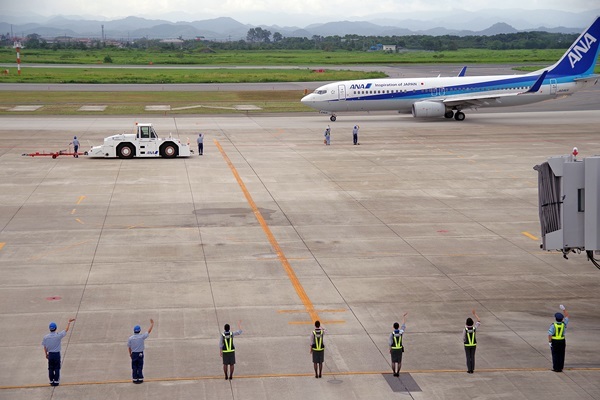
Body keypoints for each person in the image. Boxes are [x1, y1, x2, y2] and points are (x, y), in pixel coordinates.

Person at [42, 318, 76, 386]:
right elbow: (66, 330)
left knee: (50, 368)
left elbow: (45, 347)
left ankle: (51, 381)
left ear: (49, 328)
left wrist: (46, 354)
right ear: (56, 328)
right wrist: (69, 322)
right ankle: (56, 381)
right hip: (57, 354)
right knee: (57, 368)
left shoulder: (45, 337)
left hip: (50, 354)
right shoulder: (58, 335)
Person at [127, 319, 154, 384]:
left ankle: (135, 379)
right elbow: (148, 331)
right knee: (140, 366)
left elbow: (129, 347)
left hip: (134, 354)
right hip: (140, 354)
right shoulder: (142, 337)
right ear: (139, 331)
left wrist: (130, 354)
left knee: (134, 367)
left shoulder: (130, 338)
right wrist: (152, 324)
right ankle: (140, 378)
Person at [548, 305, 570, 372]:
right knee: (561, 354)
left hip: (555, 341)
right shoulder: (564, 324)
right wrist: (564, 309)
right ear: (562, 319)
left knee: (555, 354)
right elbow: (567, 316)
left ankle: (556, 368)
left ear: (556, 318)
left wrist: (550, 342)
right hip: (562, 340)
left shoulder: (553, 325)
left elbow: (550, 334)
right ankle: (560, 367)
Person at [463, 309, 480, 373]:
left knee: (468, 356)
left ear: (466, 323)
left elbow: (463, 337)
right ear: (472, 323)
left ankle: (469, 369)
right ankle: (472, 369)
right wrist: (474, 314)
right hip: (473, 344)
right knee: (472, 356)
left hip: (467, 345)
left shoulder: (465, 329)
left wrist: (464, 341)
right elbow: (479, 321)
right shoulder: (474, 328)